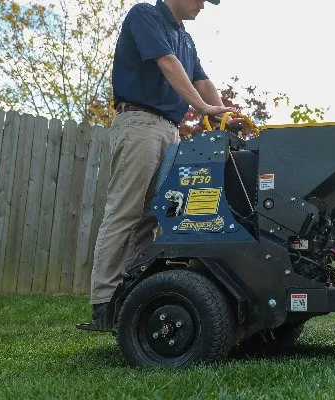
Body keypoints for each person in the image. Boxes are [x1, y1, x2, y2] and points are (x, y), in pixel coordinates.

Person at [87, 0, 236, 328]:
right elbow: (168, 64)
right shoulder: (145, 16)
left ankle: (130, 293)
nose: (202, 5)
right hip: (138, 122)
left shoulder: (185, 38)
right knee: (125, 211)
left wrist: (224, 111)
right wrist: (201, 108)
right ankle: (103, 300)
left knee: (152, 217)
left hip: (170, 130)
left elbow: (202, 80)